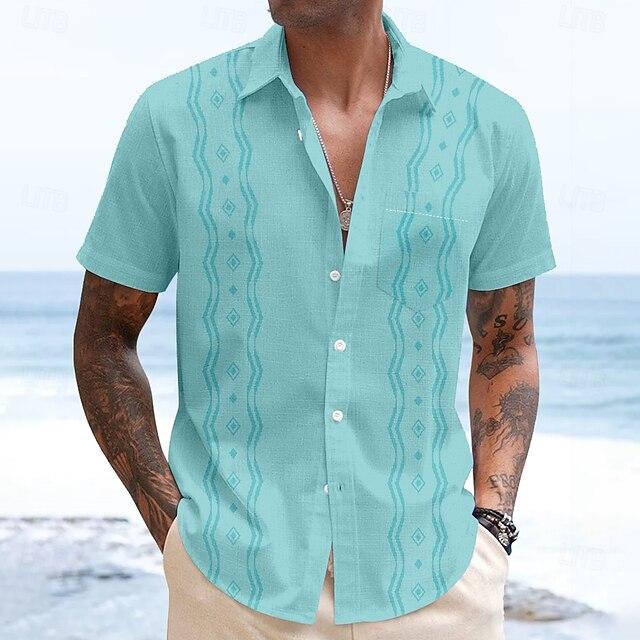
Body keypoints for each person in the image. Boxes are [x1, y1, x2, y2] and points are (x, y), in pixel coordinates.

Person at [73, 2, 556, 638]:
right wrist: (173, 533)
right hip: (230, 591)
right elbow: (105, 340)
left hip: (437, 588)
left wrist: (494, 526)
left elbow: (506, 344)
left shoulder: (487, 126)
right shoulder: (175, 119)